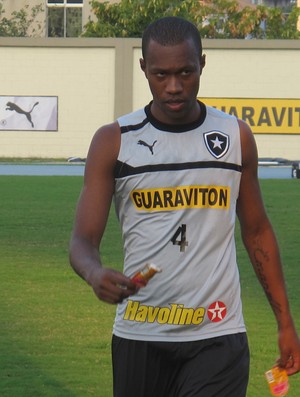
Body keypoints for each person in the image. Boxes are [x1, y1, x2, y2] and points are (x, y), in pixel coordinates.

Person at [69, 16, 300, 397]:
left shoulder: (234, 136)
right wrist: (94, 273)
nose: (174, 86)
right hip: (141, 333)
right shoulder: (114, 141)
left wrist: (285, 322)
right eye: (161, 75)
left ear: (202, 65)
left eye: (186, 72)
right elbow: (82, 239)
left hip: (218, 333)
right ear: (143, 68)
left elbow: (257, 230)